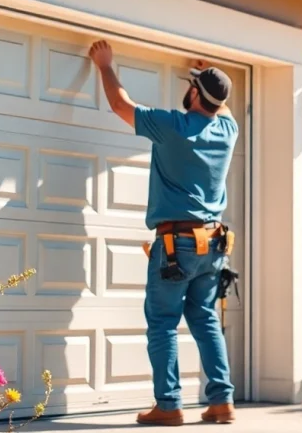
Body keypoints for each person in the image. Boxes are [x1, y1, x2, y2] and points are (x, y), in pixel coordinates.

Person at [89, 40, 238, 427]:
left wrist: (105, 65)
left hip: (176, 246)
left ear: (193, 93)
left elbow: (121, 106)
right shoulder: (228, 129)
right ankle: (221, 401)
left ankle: (169, 405)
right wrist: (208, 80)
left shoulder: (173, 125)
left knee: (162, 321)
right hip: (212, 245)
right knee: (204, 318)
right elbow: (222, 105)